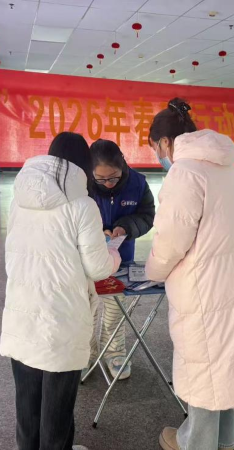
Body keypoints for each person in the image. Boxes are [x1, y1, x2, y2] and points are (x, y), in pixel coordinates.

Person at [146, 99, 234, 450]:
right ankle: (223, 439)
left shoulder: (185, 172)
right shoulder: (225, 166)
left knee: (206, 365)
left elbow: (171, 240)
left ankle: (195, 443)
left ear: (165, 142)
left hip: (205, 285)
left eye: (155, 148)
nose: (158, 156)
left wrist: (153, 270)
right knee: (228, 363)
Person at [0, 132, 121, 450]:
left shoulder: (19, 200)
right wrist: (113, 254)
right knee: (57, 411)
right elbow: (97, 268)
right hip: (61, 320)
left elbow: (13, 257)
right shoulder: (83, 205)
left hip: (22, 315)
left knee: (27, 405)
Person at [87, 139, 155, 380]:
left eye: (113, 177)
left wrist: (126, 227)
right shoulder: (83, 184)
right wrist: (98, 231)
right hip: (87, 258)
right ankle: (86, 353)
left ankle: (115, 352)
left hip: (121, 257)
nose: (107, 183)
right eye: (101, 179)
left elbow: (147, 215)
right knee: (87, 307)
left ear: (123, 165)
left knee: (115, 307)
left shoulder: (138, 183)